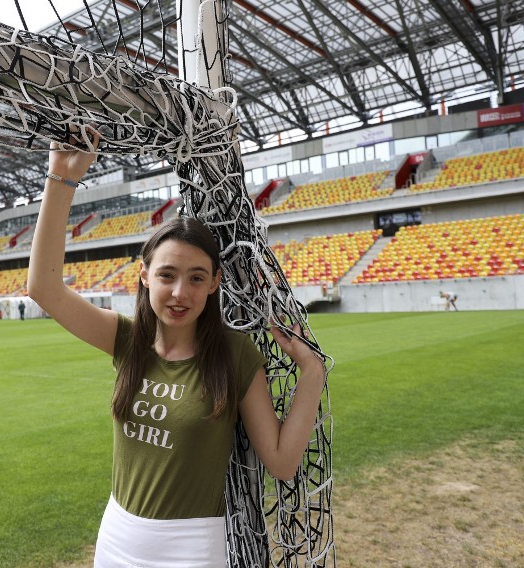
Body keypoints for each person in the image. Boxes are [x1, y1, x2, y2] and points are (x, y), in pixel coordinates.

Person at [27, 132, 326, 567]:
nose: (180, 292)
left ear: (215, 282)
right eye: (167, 275)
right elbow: (44, 288)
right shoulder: (126, 341)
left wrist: (312, 371)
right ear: (145, 275)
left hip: (192, 546)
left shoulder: (235, 354)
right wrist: (61, 177)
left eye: (196, 277)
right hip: (117, 536)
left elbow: (280, 461)